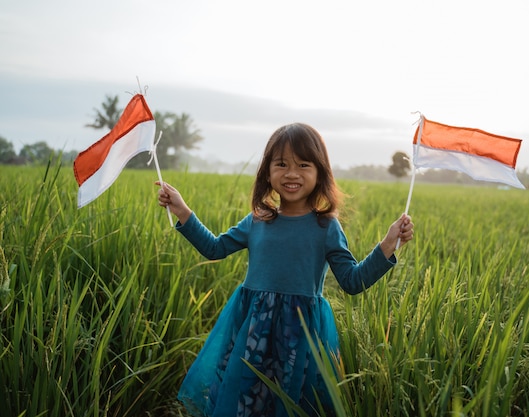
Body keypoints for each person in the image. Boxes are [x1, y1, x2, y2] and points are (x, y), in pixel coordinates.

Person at [156, 122, 414, 417]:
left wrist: (387, 245)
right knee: (245, 400)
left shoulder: (326, 226)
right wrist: (182, 211)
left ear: (320, 173)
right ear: (267, 172)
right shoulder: (257, 221)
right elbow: (215, 248)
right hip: (253, 330)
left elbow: (352, 281)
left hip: (299, 335)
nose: (292, 174)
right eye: (281, 164)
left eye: (303, 164)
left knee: (290, 403)